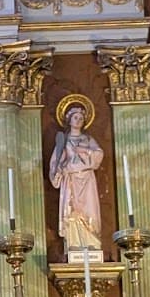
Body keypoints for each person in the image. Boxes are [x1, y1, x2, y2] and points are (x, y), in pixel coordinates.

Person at [48, 99, 103, 257]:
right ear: (69, 120)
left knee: (89, 210)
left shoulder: (88, 140)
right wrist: (59, 170)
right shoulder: (64, 141)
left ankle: (91, 242)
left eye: (81, 118)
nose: (78, 121)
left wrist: (84, 151)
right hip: (71, 179)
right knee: (72, 211)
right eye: (75, 117)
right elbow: (55, 162)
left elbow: (99, 154)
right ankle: (75, 243)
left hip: (87, 179)